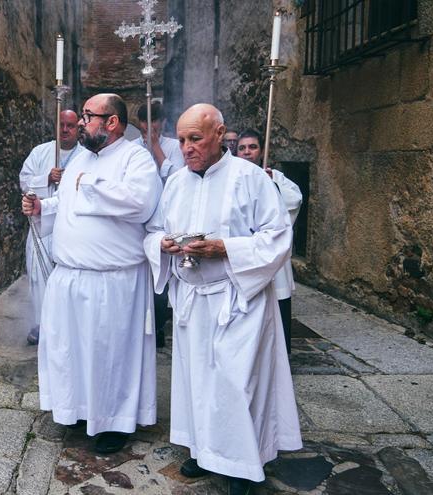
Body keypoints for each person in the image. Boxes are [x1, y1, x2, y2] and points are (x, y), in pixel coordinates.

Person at [144, 104, 301, 494]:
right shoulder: (177, 183)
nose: (186, 147)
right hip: (193, 299)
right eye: (181, 140)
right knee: (197, 381)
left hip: (237, 300)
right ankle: (203, 451)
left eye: (195, 138)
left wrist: (225, 249)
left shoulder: (250, 178)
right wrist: (161, 243)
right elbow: (156, 229)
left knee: (235, 383)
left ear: (219, 134)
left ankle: (242, 466)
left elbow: (277, 237)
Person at [22, 93, 162, 455]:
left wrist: (88, 185)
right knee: (73, 350)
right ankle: (82, 411)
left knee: (110, 354)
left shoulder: (136, 158)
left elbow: (140, 203)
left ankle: (116, 421)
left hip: (113, 282)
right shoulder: (83, 157)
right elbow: (67, 202)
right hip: (71, 276)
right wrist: (42, 206)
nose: (81, 122)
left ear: (111, 122)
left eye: (87, 115)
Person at [19, 110, 82, 346]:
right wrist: (46, 178)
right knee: (37, 273)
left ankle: (65, 323)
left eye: (71, 126)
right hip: (41, 223)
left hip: (69, 225)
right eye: (61, 125)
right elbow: (24, 180)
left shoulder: (86, 156)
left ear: (78, 128)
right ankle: (40, 323)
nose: (65, 130)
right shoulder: (41, 152)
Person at [238, 129, 303, 352]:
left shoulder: (274, 176)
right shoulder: (234, 178)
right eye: (242, 148)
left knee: (278, 308)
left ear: (262, 151)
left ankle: (281, 357)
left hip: (273, 258)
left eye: (252, 147)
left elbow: (294, 200)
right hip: (246, 256)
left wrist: (271, 186)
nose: (247, 152)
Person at [131, 102, 183, 347]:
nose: (148, 126)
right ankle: (138, 322)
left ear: (162, 122)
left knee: (159, 274)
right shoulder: (131, 150)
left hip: (165, 217)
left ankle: (160, 324)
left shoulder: (174, 147)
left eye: (153, 121)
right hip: (139, 221)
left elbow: (177, 180)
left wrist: (156, 149)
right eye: (144, 122)